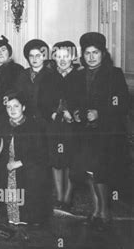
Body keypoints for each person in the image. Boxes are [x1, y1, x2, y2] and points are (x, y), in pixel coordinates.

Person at [73, 32, 130, 227]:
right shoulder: (79, 75)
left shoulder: (115, 74)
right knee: (88, 172)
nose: (91, 57)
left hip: (107, 133)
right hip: (84, 132)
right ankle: (95, 210)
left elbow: (122, 103)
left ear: (103, 54)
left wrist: (100, 113)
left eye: (95, 52)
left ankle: (104, 212)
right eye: (87, 53)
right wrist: (76, 113)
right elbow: (75, 102)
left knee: (101, 172)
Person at [0, 91, 51, 226]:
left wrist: (19, 163)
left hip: (29, 167)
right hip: (7, 166)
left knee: (32, 179)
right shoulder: (3, 125)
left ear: (23, 107)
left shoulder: (34, 126)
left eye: (16, 106)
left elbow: (42, 152)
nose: (12, 110)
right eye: (8, 107)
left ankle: (29, 217)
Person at [47, 41, 82, 212]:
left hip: (71, 125)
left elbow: (84, 98)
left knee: (69, 160)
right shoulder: (50, 76)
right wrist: (52, 112)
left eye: (66, 56)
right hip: (55, 124)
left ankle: (68, 197)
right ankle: (59, 197)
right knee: (56, 160)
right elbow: (42, 100)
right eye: (58, 56)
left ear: (73, 57)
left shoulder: (79, 76)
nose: (62, 60)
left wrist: (72, 112)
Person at [15, 39, 61, 125]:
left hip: (47, 121)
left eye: (38, 56)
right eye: (31, 56)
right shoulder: (22, 75)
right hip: (26, 120)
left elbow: (57, 99)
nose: (34, 59)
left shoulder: (53, 75)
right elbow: (18, 95)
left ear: (44, 57)